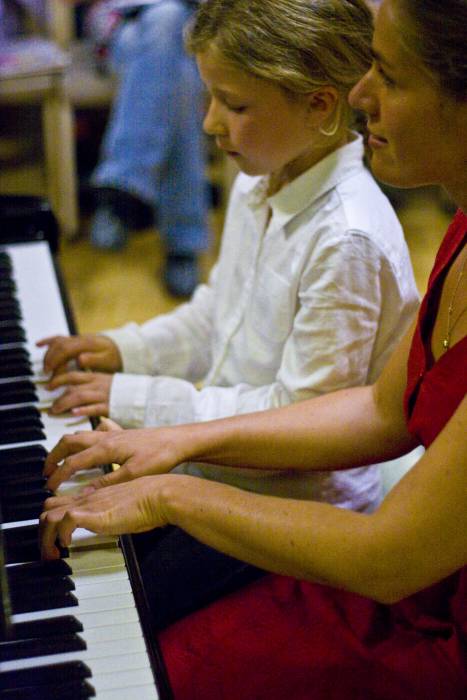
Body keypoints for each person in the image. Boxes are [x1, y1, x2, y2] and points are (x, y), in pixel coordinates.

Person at [40, 0, 467, 697]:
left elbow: (389, 554)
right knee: (98, 583)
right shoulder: (453, 232)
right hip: (303, 515)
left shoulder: (349, 234)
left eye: (386, 75)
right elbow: (375, 408)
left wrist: (172, 467)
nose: (362, 95)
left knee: (136, 655)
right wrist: (167, 433)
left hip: (387, 576)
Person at [39, 0, 418, 527]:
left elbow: (298, 421)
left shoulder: (345, 239)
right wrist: (127, 349)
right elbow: (220, 311)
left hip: (295, 508)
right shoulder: (256, 182)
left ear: (322, 106)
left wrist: (139, 401)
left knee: (93, 547)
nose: (210, 123)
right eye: (209, 97)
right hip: (222, 467)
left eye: (234, 105)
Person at [82, 0, 209, 297]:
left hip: (190, 28)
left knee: (178, 63)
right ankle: (184, 244)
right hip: (121, 27)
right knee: (173, 50)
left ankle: (121, 187)